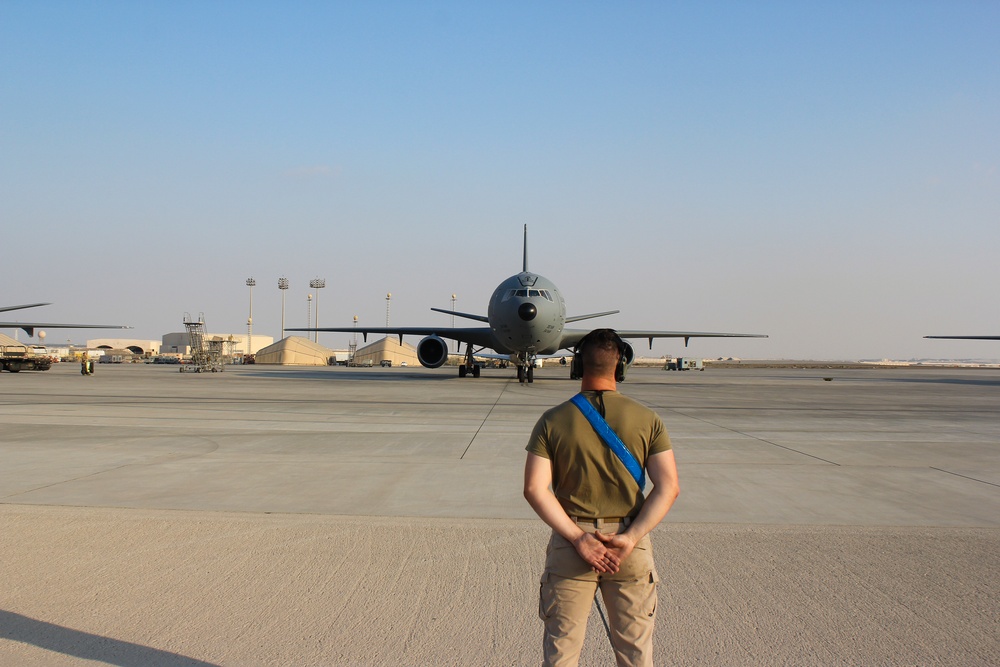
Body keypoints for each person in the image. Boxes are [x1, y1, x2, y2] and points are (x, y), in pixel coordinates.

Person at [523, 328, 680, 667]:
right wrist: (630, 537)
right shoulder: (649, 420)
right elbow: (669, 487)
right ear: (620, 367)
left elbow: (535, 489)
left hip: (572, 545)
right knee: (636, 654)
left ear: (577, 366)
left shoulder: (552, 421)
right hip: (629, 547)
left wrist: (580, 539)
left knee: (561, 654)